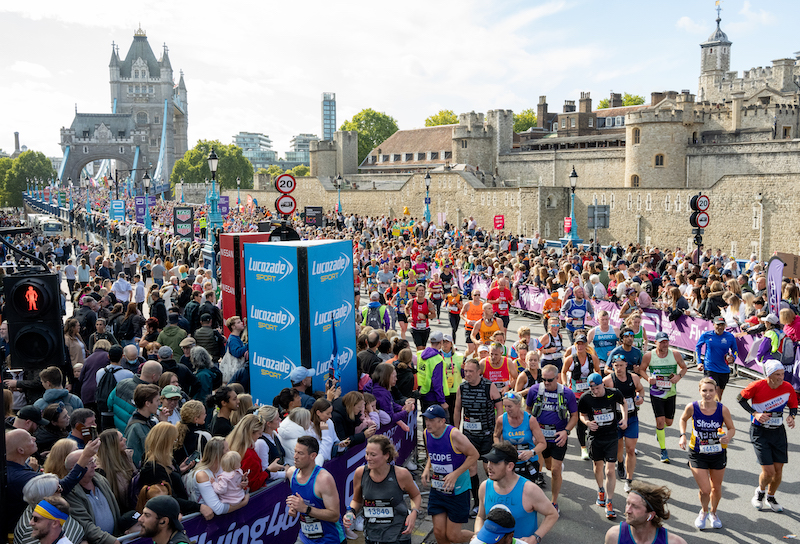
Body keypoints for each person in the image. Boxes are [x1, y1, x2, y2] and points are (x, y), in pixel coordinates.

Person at [737, 361, 797, 513]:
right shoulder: (757, 386)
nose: (781, 377)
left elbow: (793, 406)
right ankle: (760, 492)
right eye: (777, 374)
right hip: (759, 431)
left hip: (778, 431)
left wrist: (791, 416)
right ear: (769, 375)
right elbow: (740, 398)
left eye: (782, 374)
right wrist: (755, 413)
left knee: (778, 470)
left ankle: (771, 496)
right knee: (769, 471)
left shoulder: (788, 387)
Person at [678, 377, 736, 530]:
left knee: (716, 488)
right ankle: (703, 511)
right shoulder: (693, 407)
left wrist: (728, 436)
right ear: (699, 391)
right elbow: (683, 419)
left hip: (718, 452)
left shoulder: (722, 409)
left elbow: (732, 428)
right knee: (705, 489)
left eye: (711, 390)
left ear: (715, 391)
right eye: (704, 390)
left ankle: (714, 513)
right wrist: (682, 435)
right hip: (697, 452)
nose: (708, 394)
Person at [344, 435, 423, 544]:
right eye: (367, 454)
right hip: (372, 536)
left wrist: (414, 513)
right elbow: (357, 500)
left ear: (386, 455)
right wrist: (350, 512)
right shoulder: (360, 473)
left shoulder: (401, 474)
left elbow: (416, 495)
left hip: (398, 536)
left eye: (373, 455)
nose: (368, 458)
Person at [475, 443, 559, 542]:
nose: (489, 466)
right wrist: (478, 535)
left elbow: (552, 514)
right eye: (489, 461)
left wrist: (535, 537)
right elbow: (480, 516)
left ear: (510, 466)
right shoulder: (485, 487)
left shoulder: (529, 490)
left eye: (495, 462)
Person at [421, 405, 480, 544]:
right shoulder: (426, 433)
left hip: (458, 491)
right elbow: (431, 453)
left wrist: (455, 474)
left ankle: (484, 539)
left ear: (442, 421)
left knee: (453, 536)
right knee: (439, 533)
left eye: (431, 420)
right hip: (438, 489)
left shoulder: (454, 435)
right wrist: (426, 469)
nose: (427, 423)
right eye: (425, 419)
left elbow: (474, 455)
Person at [526, 364, 578, 511]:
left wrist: (566, 432)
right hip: (540, 437)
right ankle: (554, 466)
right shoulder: (535, 390)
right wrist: (532, 430)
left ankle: (554, 502)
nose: (546, 383)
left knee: (555, 471)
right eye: (544, 380)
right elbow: (528, 409)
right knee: (547, 466)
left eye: (550, 380)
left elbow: (574, 415)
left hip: (558, 437)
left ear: (557, 378)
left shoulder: (567, 393)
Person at [454, 358, 502, 515]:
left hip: (487, 434)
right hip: (469, 435)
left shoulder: (489, 386)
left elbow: (499, 407)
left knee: (489, 467)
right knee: (471, 467)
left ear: (479, 372)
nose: (467, 374)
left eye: (470, 371)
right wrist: (455, 431)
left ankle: (494, 499)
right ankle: (476, 502)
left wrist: (498, 430)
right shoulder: (462, 387)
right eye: (465, 371)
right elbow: (457, 409)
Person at [578, 373, 628, 520]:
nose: (595, 391)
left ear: (603, 385)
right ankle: (601, 490)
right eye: (592, 389)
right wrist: (587, 423)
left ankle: (609, 501)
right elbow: (582, 414)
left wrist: (625, 419)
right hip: (595, 438)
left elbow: (624, 402)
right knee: (597, 466)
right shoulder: (586, 398)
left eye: (597, 388)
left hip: (611, 436)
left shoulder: (613, 393)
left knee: (610, 471)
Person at [286, 436, 346, 544]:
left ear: (313, 456)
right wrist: (294, 508)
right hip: (305, 538)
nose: (295, 456)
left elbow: (334, 515)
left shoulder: (324, 479)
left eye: (300, 453)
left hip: (330, 539)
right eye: (295, 452)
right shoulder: (291, 473)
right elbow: (300, 499)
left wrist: (306, 509)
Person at [640, 332, 688, 463]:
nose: (664, 344)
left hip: (670, 392)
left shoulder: (675, 354)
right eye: (661, 342)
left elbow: (684, 368)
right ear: (655, 342)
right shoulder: (649, 356)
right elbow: (641, 369)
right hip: (656, 393)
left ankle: (659, 431)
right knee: (660, 421)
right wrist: (648, 378)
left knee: (669, 422)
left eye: (666, 341)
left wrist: (679, 376)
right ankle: (663, 450)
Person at [603, 354, 644, 493]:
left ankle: (629, 479)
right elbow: (599, 396)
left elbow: (641, 389)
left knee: (631, 449)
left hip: (632, 417)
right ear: (612, 366)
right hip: (616, 420)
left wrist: (641, 397)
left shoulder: (634, 378)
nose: (619, 368)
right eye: (616, 366)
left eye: (621, 365)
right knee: (619, 449)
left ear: (626, 365)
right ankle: (620, 463)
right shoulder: (608, 381)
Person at [62, 450, 120, 544]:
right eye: (89, 463)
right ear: (75, 469)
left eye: (94, 461)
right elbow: (85, 525)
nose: (95, 466)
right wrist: (110, 540)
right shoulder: (70, 493)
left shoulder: (101, 480)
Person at [604, 480, 688, 544]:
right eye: (628, 503)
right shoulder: (614, 536)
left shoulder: (674, 542)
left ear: (651, 515)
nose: (628, 510)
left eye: (635, 506)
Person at [494, 391, 546, 486]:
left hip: (528, 463)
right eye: (505, 406)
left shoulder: (530, 420)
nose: (507, 409)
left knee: (527, 494)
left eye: (510, 406)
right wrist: (500, 449)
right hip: (510, 463)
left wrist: (531, 452)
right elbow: (496, 436)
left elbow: (542, 443)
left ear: (518, 405)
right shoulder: (501, 419)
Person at [561, 333, 600, 460]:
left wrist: (597, 381)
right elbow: (563, 372)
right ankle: (583, 447)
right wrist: (565, 384)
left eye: (582, 343)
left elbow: (598, 370)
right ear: (575, 345)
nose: (580, 346)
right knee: (580, 422)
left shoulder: (592, 358)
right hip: (575, 394)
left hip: (589, 393)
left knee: (593, 417)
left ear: (586, 345)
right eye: (578, 343)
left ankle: (594, 443)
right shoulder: (570, 359)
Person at [194, 437, 251, 516]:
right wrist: (243, 503)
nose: (230, 452)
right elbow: (218, 509)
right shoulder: (202, 475)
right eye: (227, 450)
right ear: (218, 454)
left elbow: (232, 486)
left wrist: (241, 483)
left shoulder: (224, 467)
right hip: (208, 523)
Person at [695, 316, 738, 400]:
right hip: (710, 368)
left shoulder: (730, 337)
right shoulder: (706, 335)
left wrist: (733, 358)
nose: (720, 327)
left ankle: (711, 410)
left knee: (719, 396)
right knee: (715, 394)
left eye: (722, 325)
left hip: (724, 370)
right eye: (718, 325)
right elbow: (698, 347)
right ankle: (711, 411)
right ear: (714, 325)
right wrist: (699, 362)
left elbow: (735, 350)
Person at [124, 383, 161, 466]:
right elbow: (134, 459)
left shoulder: (150, 421)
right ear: (147, 403)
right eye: (157, 400)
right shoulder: (135, 427)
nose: (159, 404)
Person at [406, 283, 436, 348]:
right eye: (419, 290)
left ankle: (420, 358)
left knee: (423, 348)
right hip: (415, 328)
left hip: (425, 328)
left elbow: (434, 315)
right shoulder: (412, 302)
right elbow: (406, 308)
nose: (421, 292)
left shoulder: (428, 302)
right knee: (419, 348)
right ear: (416, 292)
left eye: (422, 290)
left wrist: (425, 316)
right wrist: (408, 317)